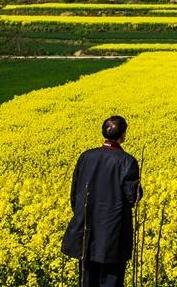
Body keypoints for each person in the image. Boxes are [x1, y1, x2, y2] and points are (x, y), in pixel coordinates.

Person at [61, 116, 142, 287]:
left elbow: (75, 193)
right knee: (111, 281)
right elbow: (132, 197)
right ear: (123, 135)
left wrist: (81, 215)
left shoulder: (86, 157)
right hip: (113, 237)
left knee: (87, 281)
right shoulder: (127, 161)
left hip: (87, 233)